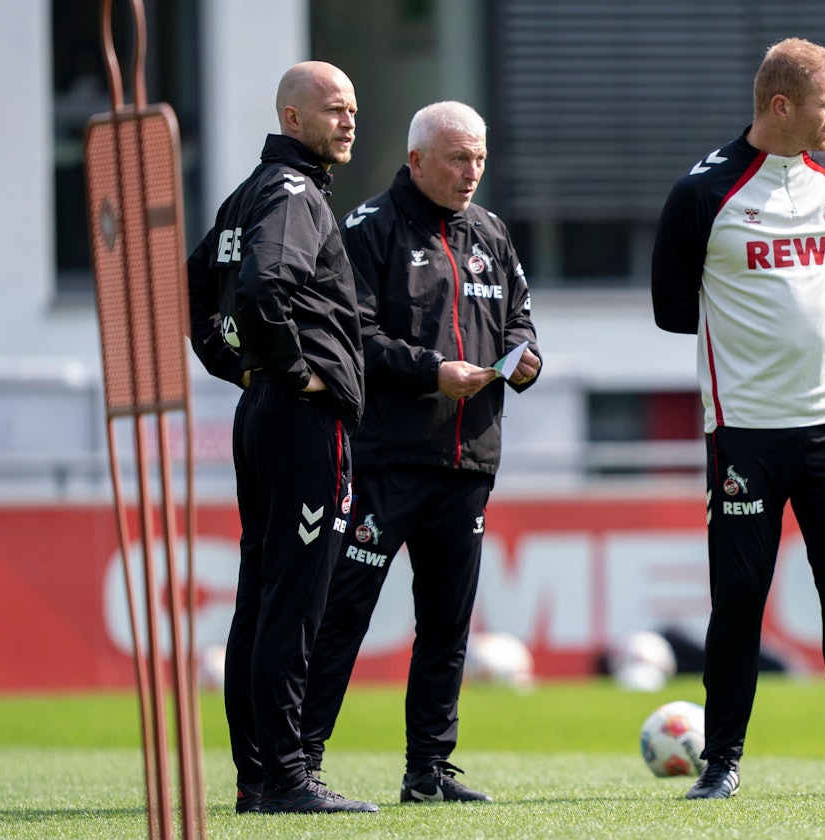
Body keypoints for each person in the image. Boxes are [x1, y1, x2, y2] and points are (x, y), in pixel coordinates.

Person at [650, 38, 825, 800]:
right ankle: (722, 765)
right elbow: (672, 311)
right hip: (745, 429)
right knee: (739, 599)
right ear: (781, 107)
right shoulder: (702, 194)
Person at [300, 100, 541, 804]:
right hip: (388, 460)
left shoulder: (492, 232)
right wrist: (429, 371)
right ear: (416, 160)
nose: (472, 172)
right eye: (458, 158)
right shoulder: (369, 230)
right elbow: (354, 338)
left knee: (447, 624)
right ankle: (299, 763)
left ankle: (429, 771)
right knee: (343, 613)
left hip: (468, 462)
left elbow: (520, 318)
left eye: (480, 159)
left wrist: (527, 361)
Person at [186, 60, 377, 814]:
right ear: (293, 118)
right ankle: (289, 778)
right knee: (295, 601)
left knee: (260, 599)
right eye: (334, 109)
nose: (349, 121)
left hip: (261, 414)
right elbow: (266, 286)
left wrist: (236, 368)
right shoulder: (295, 194)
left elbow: (197, 284)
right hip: (302, 421)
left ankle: (256, 777)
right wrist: (294, 373)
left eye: (353, 108)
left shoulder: (246, 194)